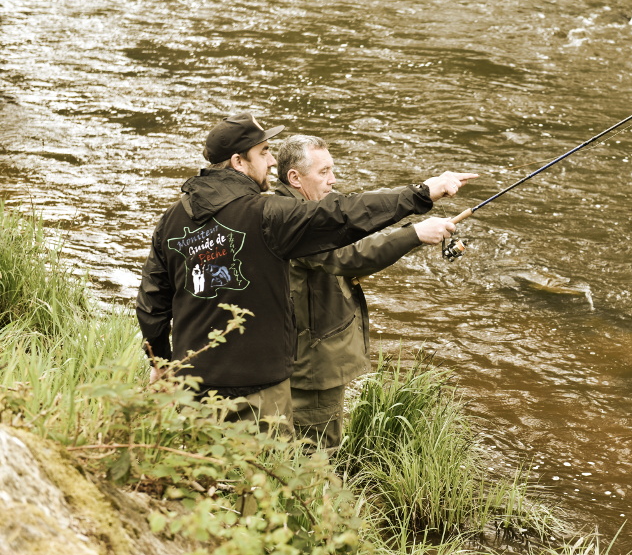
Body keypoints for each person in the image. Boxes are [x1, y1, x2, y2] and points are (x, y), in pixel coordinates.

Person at [136, 111, 476, 432]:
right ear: (239, 162)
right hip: (260, 386)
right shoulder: (268, 213)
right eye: (264, 151)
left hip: (192, 380)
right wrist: (420, 194)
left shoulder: (172, 219)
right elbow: (343, 215)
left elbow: (152, 299)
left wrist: (162, 362)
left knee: (203, 478)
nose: (272, 160)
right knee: (265, 482)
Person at [274, 135, 458, 451]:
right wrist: (413, 234)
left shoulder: (303, 208)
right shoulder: (294, 218)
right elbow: (350, 257)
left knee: (306, 441)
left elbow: (358, 218)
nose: (333, 180)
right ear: (295, 177)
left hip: (306, 354)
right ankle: (315, 498)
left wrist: (423, 197)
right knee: (317, 451)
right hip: (312, 362)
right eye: (323, 172)